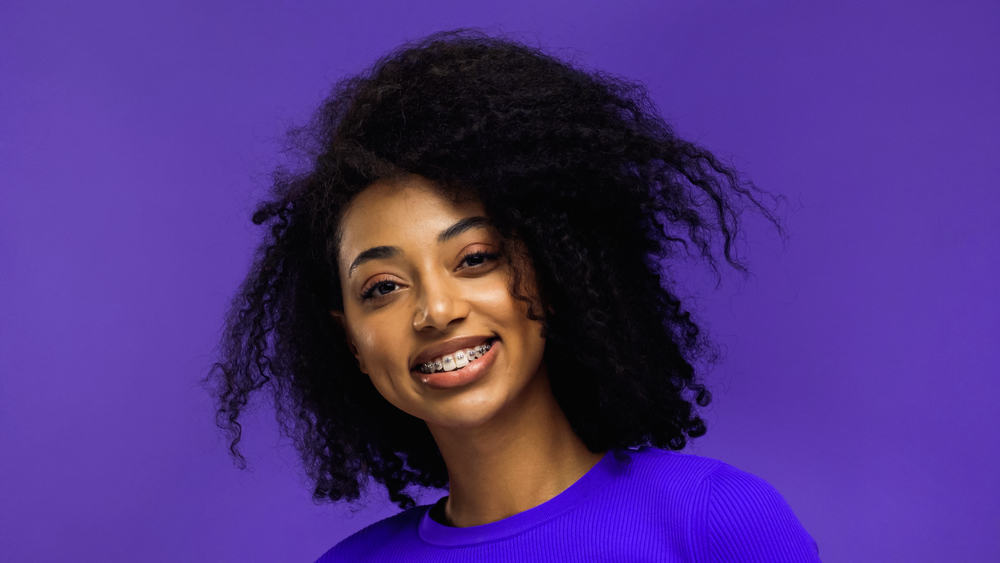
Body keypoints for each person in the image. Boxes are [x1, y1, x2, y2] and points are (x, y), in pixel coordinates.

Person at [204, 28, 821, 562]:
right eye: (383, 287)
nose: (437, 310)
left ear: (553, 273)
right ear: (353, 342)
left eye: (475, 259)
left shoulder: (712, 522)